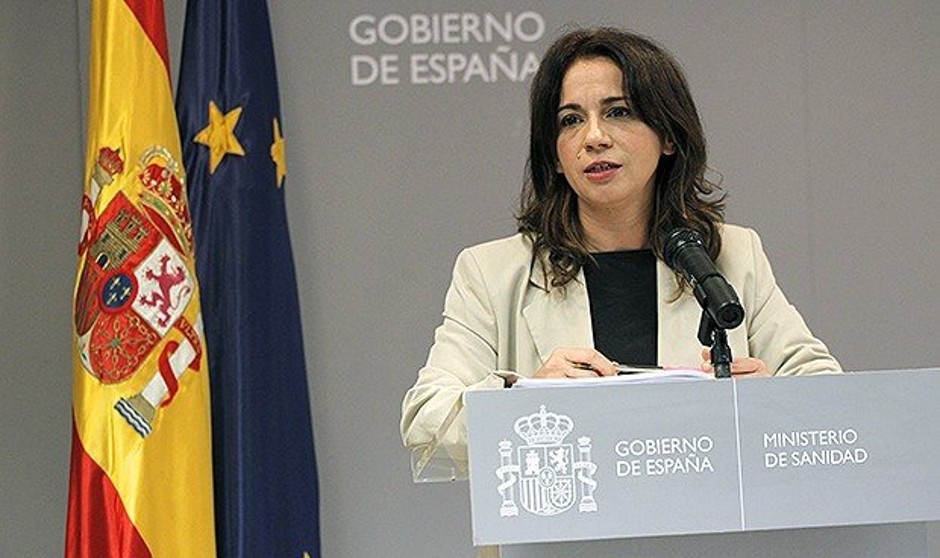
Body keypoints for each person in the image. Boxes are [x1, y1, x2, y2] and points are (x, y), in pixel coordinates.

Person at [401, 27, 840, 457]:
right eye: (571, 120)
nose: (594, 138)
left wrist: (767, 401)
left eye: (618, 112)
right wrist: (527, 399)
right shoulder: (492, 272)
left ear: (668, 135)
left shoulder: (730, 256)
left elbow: (829, 393)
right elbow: (426, 419)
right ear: (555, 155)